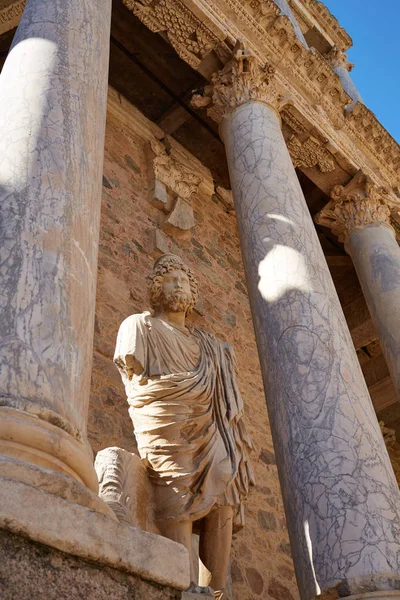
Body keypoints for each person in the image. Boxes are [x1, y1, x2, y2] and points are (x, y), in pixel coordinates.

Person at [114, 254, 254, 599]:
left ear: (193, 294)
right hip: (166, 422)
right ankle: (181, 584)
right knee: (176, 490)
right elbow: (139, 381)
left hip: (210, 424)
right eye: (170, 280)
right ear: (156, 289)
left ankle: (216, 590)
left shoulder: (209, 344)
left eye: (184, 281)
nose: (178, 286)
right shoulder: (138, 325)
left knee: (223, 492)